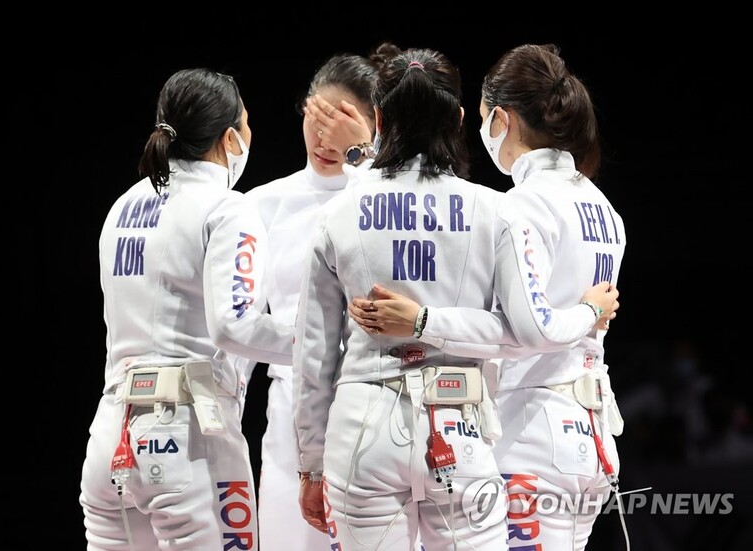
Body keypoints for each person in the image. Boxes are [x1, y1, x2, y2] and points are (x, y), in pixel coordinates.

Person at [292, 47, 619, 551]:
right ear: (459, 120)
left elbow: (313, 355)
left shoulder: (337, 212)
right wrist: (588, 311)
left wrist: (310, 464)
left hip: (363, 432)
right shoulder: (497, 211)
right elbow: (522, 330)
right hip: (462, 428)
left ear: (380, 119)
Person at [79, 67, 294, 550]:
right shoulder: (226, 207)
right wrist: (327, 341)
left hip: (111, 432)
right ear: (229, 137)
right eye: (246, 123)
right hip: (187, 437)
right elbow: (235, 326)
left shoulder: (122, 206)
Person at [242, 42, 402, 551]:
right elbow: (238, 325)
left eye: (342, 121)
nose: (325, 136)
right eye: (318, 117)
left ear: (373, 125)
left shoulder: (394, 201)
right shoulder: (260, 205)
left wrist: (364, 159)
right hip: (292, 415)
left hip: (379, 406)